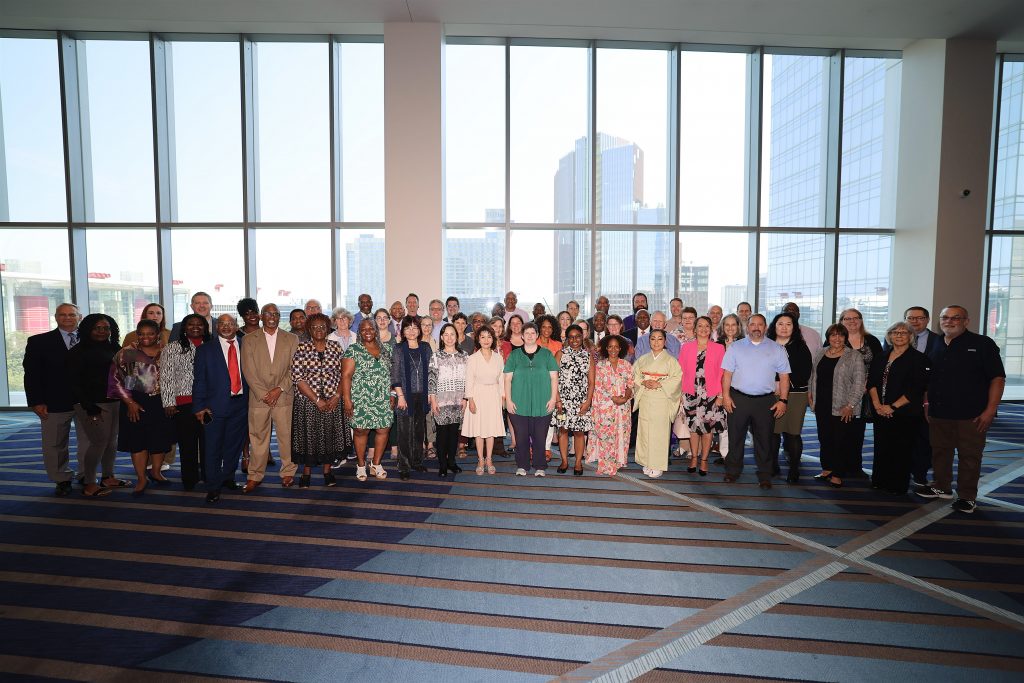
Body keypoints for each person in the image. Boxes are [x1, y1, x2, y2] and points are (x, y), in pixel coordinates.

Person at [914, 306, 1005, 513]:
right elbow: (929, 379)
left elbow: (997, 378)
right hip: (939, 412)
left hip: (971, 414)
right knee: (940, 452)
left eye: (955, 318)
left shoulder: (983, 344)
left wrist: (990, 410)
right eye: (945, 317)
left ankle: (967, 496)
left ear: (966, 321)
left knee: (969, 456)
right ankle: (942, 486)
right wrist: (927, 404)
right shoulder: (936, 343)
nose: (949, 321)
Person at [721, 314, 791, 489]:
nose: (756, 328)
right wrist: (726, 396)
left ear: (765, 327)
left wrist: (783, 400)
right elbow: (727, 374)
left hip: (765, 402)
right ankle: (732, 471)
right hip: (738, 399)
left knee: (764, 440)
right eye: (753, 324)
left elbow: (784, 377)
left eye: (760, 324)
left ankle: (765, 475)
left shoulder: (777, 349)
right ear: (747, 327)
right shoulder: (735, 347)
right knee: (735, 438)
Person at [24, 303, 86, 496]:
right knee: (54, 443)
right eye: (62, 314)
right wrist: (36, 401)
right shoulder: (38, 341)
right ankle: (62, 479)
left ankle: (86, 474)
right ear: (56, 317)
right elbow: (31, 375)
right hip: (53, 401)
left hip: (88, 402)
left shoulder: (93, 339)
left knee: (89, 442)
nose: (67, 318)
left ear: (80, 317)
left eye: (72, 314)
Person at [108, 318, 175, 496]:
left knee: (160, 439)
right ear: (137, 335)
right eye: (142, 334)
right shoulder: (126, 353)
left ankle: (156, 472)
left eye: (150, 334)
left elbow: (174, 378)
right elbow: (115, 381)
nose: (146, 337)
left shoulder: (166, 351)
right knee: (137, 441)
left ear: (158, 334)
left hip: (161, 402)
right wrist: (130, 402)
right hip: (134, 402)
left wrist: (171, 401)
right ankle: (141, 478)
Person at [240, 303, 300, 491]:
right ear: (261, 316)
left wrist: (279, 389)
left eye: (276, 314)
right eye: (268, 313)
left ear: (279, 317)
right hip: (259, 398)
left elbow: (294, 368)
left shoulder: (292, 338)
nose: (272, 317)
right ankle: (255, 475)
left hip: (284, 396)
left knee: (286, 436)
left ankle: (288, 472)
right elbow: (248, 370)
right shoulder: (249, 339)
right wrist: (263, 393)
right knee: (258, 437)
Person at [192, 314, 248, 503]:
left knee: (234, 445)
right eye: (222, 324)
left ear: (237, 326)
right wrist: (199, 407)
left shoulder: (247, 345)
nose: (226, 326)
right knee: (212, 448)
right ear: (216, 328)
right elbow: (199, 380)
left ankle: (228, 477)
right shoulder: (205, 350)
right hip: (213, 407)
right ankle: (213, 486)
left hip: (241, 404)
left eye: (230, 323)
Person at [869, 321, 930, 494]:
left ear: (911, 336)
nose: (899, 335)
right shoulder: (881, 356)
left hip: (905, 412)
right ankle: (879, 480)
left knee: (901, 450)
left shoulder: (919, 359)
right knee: (881, 447)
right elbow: (871, 382)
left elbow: (916, 388)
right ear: (889, 336)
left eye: (904, 333)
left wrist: (893, 407)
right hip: (880, 410)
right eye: (895, 332)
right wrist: (877, 405)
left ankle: (897, 485)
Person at [290, 312, 350, 488]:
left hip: (333, 400)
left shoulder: (336, 347)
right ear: (309, 329)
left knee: (330, 436)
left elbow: (344, 375)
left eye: (322, 327)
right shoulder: (302, 348)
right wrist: (316, 399)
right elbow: (297, 377)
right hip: (308, 402)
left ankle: (327, 471)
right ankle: (306, 473)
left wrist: (337, 396)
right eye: (314, 327)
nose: (318, 330)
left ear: (327, 329)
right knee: (309, 437)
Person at [67, 313, 122, 497]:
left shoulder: (114, 347)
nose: (102, 331)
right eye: (97, 328)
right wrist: (89, 406)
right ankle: (89, 483)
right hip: (92, 404)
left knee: (111, 442)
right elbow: (73, 384)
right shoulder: (78, 352)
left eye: (106, 328)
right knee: (98, 442)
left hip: (114, 401)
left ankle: (108, 477)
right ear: (88, 329)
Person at [808, 324, 865, 489]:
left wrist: (850, 405)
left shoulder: (854, 356)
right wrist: (810, 396)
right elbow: (813, 376)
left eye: (841, 335)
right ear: (828, 337)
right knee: (824, 438)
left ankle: (838, 474)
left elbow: (859, 383)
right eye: (833, 335)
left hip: (843, 407)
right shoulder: (820, 352)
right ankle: (827, 469)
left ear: (845, 337)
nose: (837, 338)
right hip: (822, 404)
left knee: (840, 441)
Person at [159, 313, 210, 491]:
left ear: (205, 327)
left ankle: (209, 475)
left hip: (209, 404)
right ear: (184, 328)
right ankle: (189, 479)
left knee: (208, 442)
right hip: (183, 402)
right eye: (190, 324)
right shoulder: (173, 347)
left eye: (199, 324)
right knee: (187, 443)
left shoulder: (212, 346)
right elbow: (166, 376)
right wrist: (168, 402)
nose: (195, 327)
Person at [896, 306, 944, 486]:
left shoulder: (940, 341)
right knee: (901, 438)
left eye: (919, 318)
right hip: (899, 399)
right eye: (910, 318)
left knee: (924, 439)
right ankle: (901, 471)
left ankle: (919, 474)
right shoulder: (894, 338)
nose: (915, 321)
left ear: (928, 319)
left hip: (926, 398)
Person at [342, 319, 393, 482]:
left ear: (376, 330)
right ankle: (361, 465)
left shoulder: (387, 349)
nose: (368, 331)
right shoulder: (353, 350)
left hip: (383, 397)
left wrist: (393, 394)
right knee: (360, 431)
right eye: (363, 329)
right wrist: (347, 400)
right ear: (359, 332)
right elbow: (346, 376)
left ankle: (376, 464)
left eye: (371, 328)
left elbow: (393, 374)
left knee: (383, 429)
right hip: (361, 398)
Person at [504, 323, 558, 476]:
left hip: (543, 403)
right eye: (526, 333)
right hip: (518, 403)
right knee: (521, 437)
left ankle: (540, 466)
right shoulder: (514, 355)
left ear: (537, 335)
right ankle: (522, 465)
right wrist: (508, 400)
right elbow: (507, 379)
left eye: (532, 333)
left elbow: (554, 378)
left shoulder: (547, 354)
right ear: (522, 336)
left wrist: (553, 399)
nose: (529, 336)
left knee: (540, 436)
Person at [767, 313, 812, 483]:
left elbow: (804, 373)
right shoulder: (766, 345)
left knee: (793, 433)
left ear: (794, 328)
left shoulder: (800, 347)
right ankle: (773, 465)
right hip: (771, 394)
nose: (784, 327)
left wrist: (782, 382)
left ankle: (794, 470)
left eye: (788, 324)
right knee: (773, 433)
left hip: (796, 396)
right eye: (780, 324)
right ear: (774, 326)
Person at [679, 316, 726, 477]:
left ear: (711, 329)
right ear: (695, 329)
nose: (703, 329)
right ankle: (694, 457)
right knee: (693, 428)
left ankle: (704, 460)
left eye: (707, 326)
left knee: (707, 429)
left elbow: (722, 374)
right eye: (700, 326)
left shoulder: (719, 348)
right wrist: (680, 394)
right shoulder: (686, 347)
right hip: (691, 393)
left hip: (711, 393)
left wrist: (721, 395)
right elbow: (681, 371)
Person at [632, 329, 682, 478]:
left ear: (665, 341)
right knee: (645, 431)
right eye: (653, 338)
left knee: (659, 433)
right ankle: (647, 462)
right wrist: (643, 382)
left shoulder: (671, 361)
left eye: (660, 339)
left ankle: (657, 464)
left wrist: (660, 384)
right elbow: (634, 375)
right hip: (646, 398)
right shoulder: (642, 359)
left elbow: (677, 379)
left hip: (662, 400)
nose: (656, 342)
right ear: (649, 341)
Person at [839, 307, 882, 477]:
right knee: (841, 429)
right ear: (841, 321)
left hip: (865, 393)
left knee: (858, 430)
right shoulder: (835, 339)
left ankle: (855, 466)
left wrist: (866, 384)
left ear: (861, 320)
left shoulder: (872, 340)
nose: (852, 321)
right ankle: (839, 466)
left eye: (855, 318)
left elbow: (879, 365)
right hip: (841, 392)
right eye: (847, 318)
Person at [586, 334, 633, 476]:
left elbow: (631, 384)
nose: (613, 349)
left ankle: (619, 460)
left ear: (620, 348)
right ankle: (606, 464)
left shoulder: (626, 365)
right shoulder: (600, 366)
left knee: (622, 434)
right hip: (605, 407)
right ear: (606, 348)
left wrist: (625, 397)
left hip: (623, 406)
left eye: (616, 347)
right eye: (610, 347)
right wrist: (613, 398)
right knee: (607, 435)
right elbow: (598, 387)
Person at [392, 315, 432, 480]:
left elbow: (431, 373)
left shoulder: (426, 347)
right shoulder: (398, 348)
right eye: (408, 328)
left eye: (415, 327)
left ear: (419, 330)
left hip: (422, 395)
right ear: (403, 331)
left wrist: (430, 393)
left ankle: (417, 461)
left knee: (419, 430)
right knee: (404, 432)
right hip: (405, 395)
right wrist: (400, 396)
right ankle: (404, 465)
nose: (411, 331)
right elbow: (395, 375)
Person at [551, 324, 595, 475]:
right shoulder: (560, 354)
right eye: (571, 337)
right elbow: (553, 379)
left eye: (577, 337)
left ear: (583, 337)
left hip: (581, 402)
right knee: (563, 430)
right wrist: (557, 400)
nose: (574, 340)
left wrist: (588, 402)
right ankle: (564, 461)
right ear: (567, 339)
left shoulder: (588, 356)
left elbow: (591, 382)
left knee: (579, 432)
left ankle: (577, 463)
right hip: (563, 401)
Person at [462, 326, 506, 474]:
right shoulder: (472, 358)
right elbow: (469, 380)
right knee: (479, 430)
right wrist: (470, 400)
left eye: (489, 337)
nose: (486, 340)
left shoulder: (498, 358)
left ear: (493, 339)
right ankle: (480, 459)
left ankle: (489, 459)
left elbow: (501, 379)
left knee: (491, 429)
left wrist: (502, 398)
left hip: (493, 395)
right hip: (477, 395)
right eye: (483, 337)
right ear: (478, 339)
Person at [428, 323, 468, 478]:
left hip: (458, 400)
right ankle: (442, 465)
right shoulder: (436, 356)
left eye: (452, 334)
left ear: (456, 337)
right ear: (442, 337)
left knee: (454, 433)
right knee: (442, 434)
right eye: (446, 334)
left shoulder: (464, 356)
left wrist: (465, 398)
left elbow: (468, 379)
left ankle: (452, 462)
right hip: (441, 401)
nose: (449, 337)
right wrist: (433, 400)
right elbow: (431, 380)